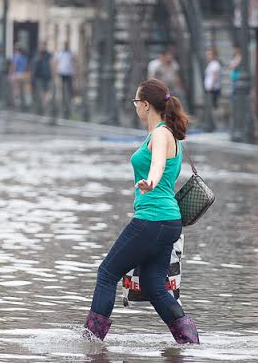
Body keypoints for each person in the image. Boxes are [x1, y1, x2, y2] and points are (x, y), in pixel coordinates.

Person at [83, 78, 200, 345]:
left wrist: (151, 181)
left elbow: (158, 164)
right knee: (153, 284)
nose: (135, 106)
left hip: (152, 219)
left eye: (137, 101)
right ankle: (189, 342)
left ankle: (91, 341)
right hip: (168, 221)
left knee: (107, 273)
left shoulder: (160, 134)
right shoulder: (166, 133)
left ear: (146, 105)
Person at [30, 41, 52, 115]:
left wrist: (52, 74)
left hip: (47, 76)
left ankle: (44, 106)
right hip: (38, 76)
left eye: (44, 45)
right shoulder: (37, 54)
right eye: (42, 45)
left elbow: (51, 64)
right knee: (40, 92)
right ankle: (41, 107)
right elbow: (33, 65)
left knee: (47, 92)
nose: (43, 47)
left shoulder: (48, 55)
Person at [54, 42, 74, 119]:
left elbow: (73, 62)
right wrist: (55, 72)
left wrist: (74, 73)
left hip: (68, 74)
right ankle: (62, 106)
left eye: (67, 45)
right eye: (65, 45)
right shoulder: (60, 53)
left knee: (68, 91)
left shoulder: (70, 53)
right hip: (61, 73)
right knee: (61, 90)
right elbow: (55, 62)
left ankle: (67, 106)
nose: (66, 46)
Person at [202, 48, 221, 132]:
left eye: (209, 54)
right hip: (209, 89)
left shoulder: (215, 64)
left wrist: (210, 87)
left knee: (213, 106)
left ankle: (215, 124)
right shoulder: (210, 64)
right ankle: (212, 123)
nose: (208, 56)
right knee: (211, 106)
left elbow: (214, 76)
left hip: (213, 89)